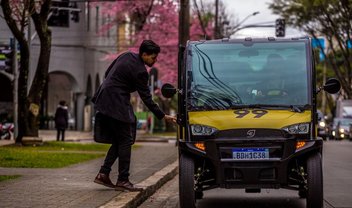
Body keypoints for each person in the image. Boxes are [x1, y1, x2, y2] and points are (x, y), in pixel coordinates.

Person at [91, 40, 176, 192]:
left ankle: (104, 173)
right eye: (153, 57)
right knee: (126, 140)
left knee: (120, 140)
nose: (155, 61)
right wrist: (162, 116)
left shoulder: (126, 55)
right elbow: (146, 98)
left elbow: (107, 73)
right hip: (116, 102)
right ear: (144, 54)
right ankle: (123, 180)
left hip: (103, 97)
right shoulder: (140, 71)